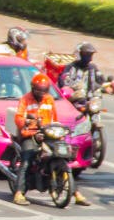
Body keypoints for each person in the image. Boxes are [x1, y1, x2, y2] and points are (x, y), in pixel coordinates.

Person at [13, 73, 91, 206]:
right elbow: (18, 117)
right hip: (30, 134)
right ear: (33, 89)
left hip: (48, 133)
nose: (42, 94)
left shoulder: (49, 99)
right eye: (39, 91)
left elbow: (54, 118)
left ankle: (76, 192)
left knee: (63, 155)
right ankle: (19, 193)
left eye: (44, 91)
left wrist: (58, 130)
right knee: (27, 161)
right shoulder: (25, 99)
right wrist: (26, 122)